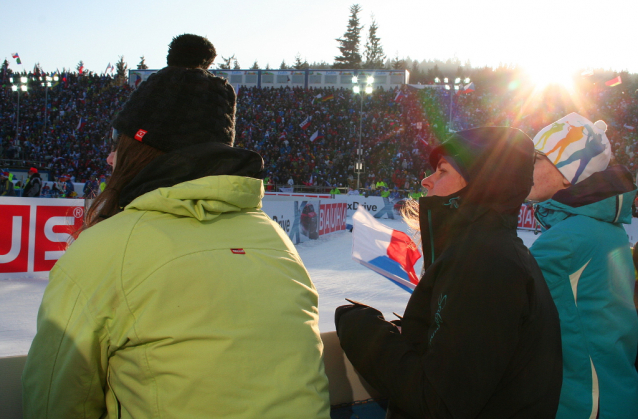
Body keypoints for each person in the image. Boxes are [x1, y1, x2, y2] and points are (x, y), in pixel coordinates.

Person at [22, 34, 330, 419]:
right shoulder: (274, 238)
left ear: (141, 151)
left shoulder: (106, 249)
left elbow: (54, 403)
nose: (108, 157)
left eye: (118, 145)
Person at [335, 127, 562, 419]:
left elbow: (438, 403)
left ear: (481, 185)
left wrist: (359, 327)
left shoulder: (485, 263)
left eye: (442, 171)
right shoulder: (494, 253)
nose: (425, 180)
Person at [528, 113, 638, 418]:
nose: (525, 168)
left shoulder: (569, 239)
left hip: (581, 404)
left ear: (568, 174)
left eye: (535, 159)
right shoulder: (602, 229)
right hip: (614, 396)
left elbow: (503, 313)